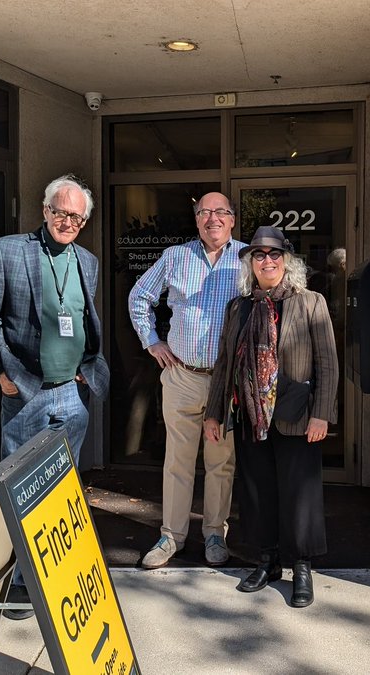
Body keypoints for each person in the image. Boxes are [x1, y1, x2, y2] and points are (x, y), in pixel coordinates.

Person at [0, 174, 110, 619]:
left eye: (77, 217)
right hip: (25, 391)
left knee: (62, 491)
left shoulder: (87, 261)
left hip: (72, 393)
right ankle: (17, 580)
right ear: (45, 210)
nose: (68, 222)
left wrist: (88, 369)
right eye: (61, 213)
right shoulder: (10, 250)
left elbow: (85, 320)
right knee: (19, 488)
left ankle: (53, 577)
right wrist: (0, 374)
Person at [203, 226, 338, 608]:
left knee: (299, 493)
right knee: (257, 489)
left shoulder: (310, 302)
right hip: (251, 413)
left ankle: (302, 567)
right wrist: (214, 414)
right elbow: (225, 363)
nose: (267, 261)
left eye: (274, 254)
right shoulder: (239, 307)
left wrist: (321, 415)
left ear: (287, 260)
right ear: (250, 263)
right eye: (259, 255)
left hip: (297, 413)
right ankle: (267, 561)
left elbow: (328, 363)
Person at [128, 192, 246, 568]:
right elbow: (139, 297)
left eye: (221, 212)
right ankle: (171, 536)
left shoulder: (247, 258)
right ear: (196, 219)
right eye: (205, 212)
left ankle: (214, 533)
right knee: (177, 461)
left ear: (232, 219)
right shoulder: (175, 256)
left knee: (221, 462)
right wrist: (152, 341)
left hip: (226, 382)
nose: (213, 218)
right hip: (181, 377)